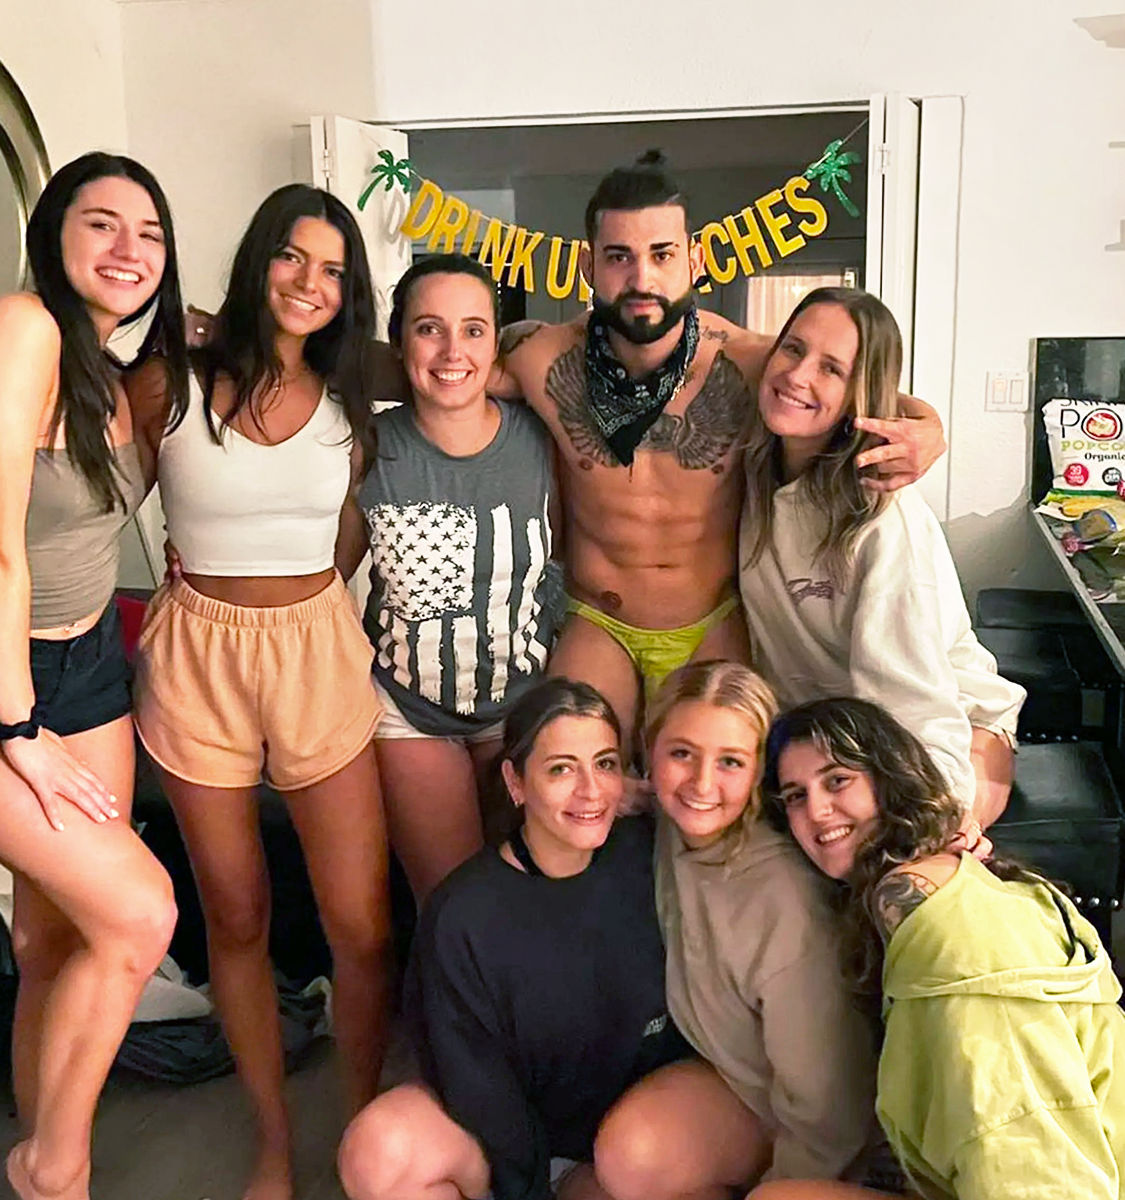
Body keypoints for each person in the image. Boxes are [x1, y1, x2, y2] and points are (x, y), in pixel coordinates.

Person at [487, 154, 946, 750]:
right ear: (588, 264)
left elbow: (856, 394)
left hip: (712, 622)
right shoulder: (540, 357)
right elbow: (436, 369)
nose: (642, 278)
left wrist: (933, 429)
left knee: (713, 800)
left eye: (662, 254)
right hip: (598, 619)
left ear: (694, 260)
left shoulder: (755, 363)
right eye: (619, 256)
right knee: (576, 772)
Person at [127, 184, 391, 1200]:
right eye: (292, 257)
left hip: (318, 648)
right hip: (198, 651)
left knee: (361, 925)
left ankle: (364, 1132)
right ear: (257, 259)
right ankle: (275, 1146)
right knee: (235, 915)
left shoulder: (354, 393)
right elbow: (82, 483)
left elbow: (508, 352)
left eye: (332, 270)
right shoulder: (174, 383)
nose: (309, 284)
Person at [0, 151, 185, 1200]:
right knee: (140, 914)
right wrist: (15, 726)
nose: (128, 250)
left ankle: (39, 1149)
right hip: (9, 679)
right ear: (53, 235)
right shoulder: (23, 330)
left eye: (149, 233)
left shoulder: (115, 375)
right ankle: (53, 1168)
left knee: (52, 938)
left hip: (89, 668)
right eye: (101, 225)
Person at [752, 696, 1125, 1200]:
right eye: (795, 796)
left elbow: (1023, 1143)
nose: (817, 811)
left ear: (891, 779)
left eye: (838, 780)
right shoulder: (932, 878)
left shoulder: (936, 918)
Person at [336, 677, 688, 1200]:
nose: (590, 791)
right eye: (561, 768)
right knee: (379, 1151)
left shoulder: (653, 858)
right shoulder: (464, 915)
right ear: (516, 781)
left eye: (605, 764)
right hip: (513, 1149)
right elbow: (475, 1090)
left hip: (628, 1145)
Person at [591, 661, 881, 1200]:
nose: (701, 784)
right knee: (630, 1158)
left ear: (759, 775)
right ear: (650, 751)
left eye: (730, 762)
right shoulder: (677, 825)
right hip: (738, 1079)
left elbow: (831, 1107)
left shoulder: (784, 902)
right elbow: (661, 794)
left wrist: (786, 1186)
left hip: (815, 1120)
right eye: (682, 754)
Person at [739, 287, 1024, 827]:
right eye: (793, 349)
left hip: (949, 738)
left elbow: (918, 713)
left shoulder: (880, 516)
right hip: (826, 742)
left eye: (832, 369)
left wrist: (943, 821)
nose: (799, 376)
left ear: (859, 393)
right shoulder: (752, 471)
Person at [337, 253, 561, 900]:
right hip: (408, 711)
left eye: (472, 329)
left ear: (497, 343)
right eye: (428, 328)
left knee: (527, 896)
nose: (451, 350)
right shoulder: (367, 447)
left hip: (519, 706)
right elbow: (326, 581)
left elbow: (567, 559)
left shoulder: (540, 439)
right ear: (400, 340)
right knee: (455, 903)